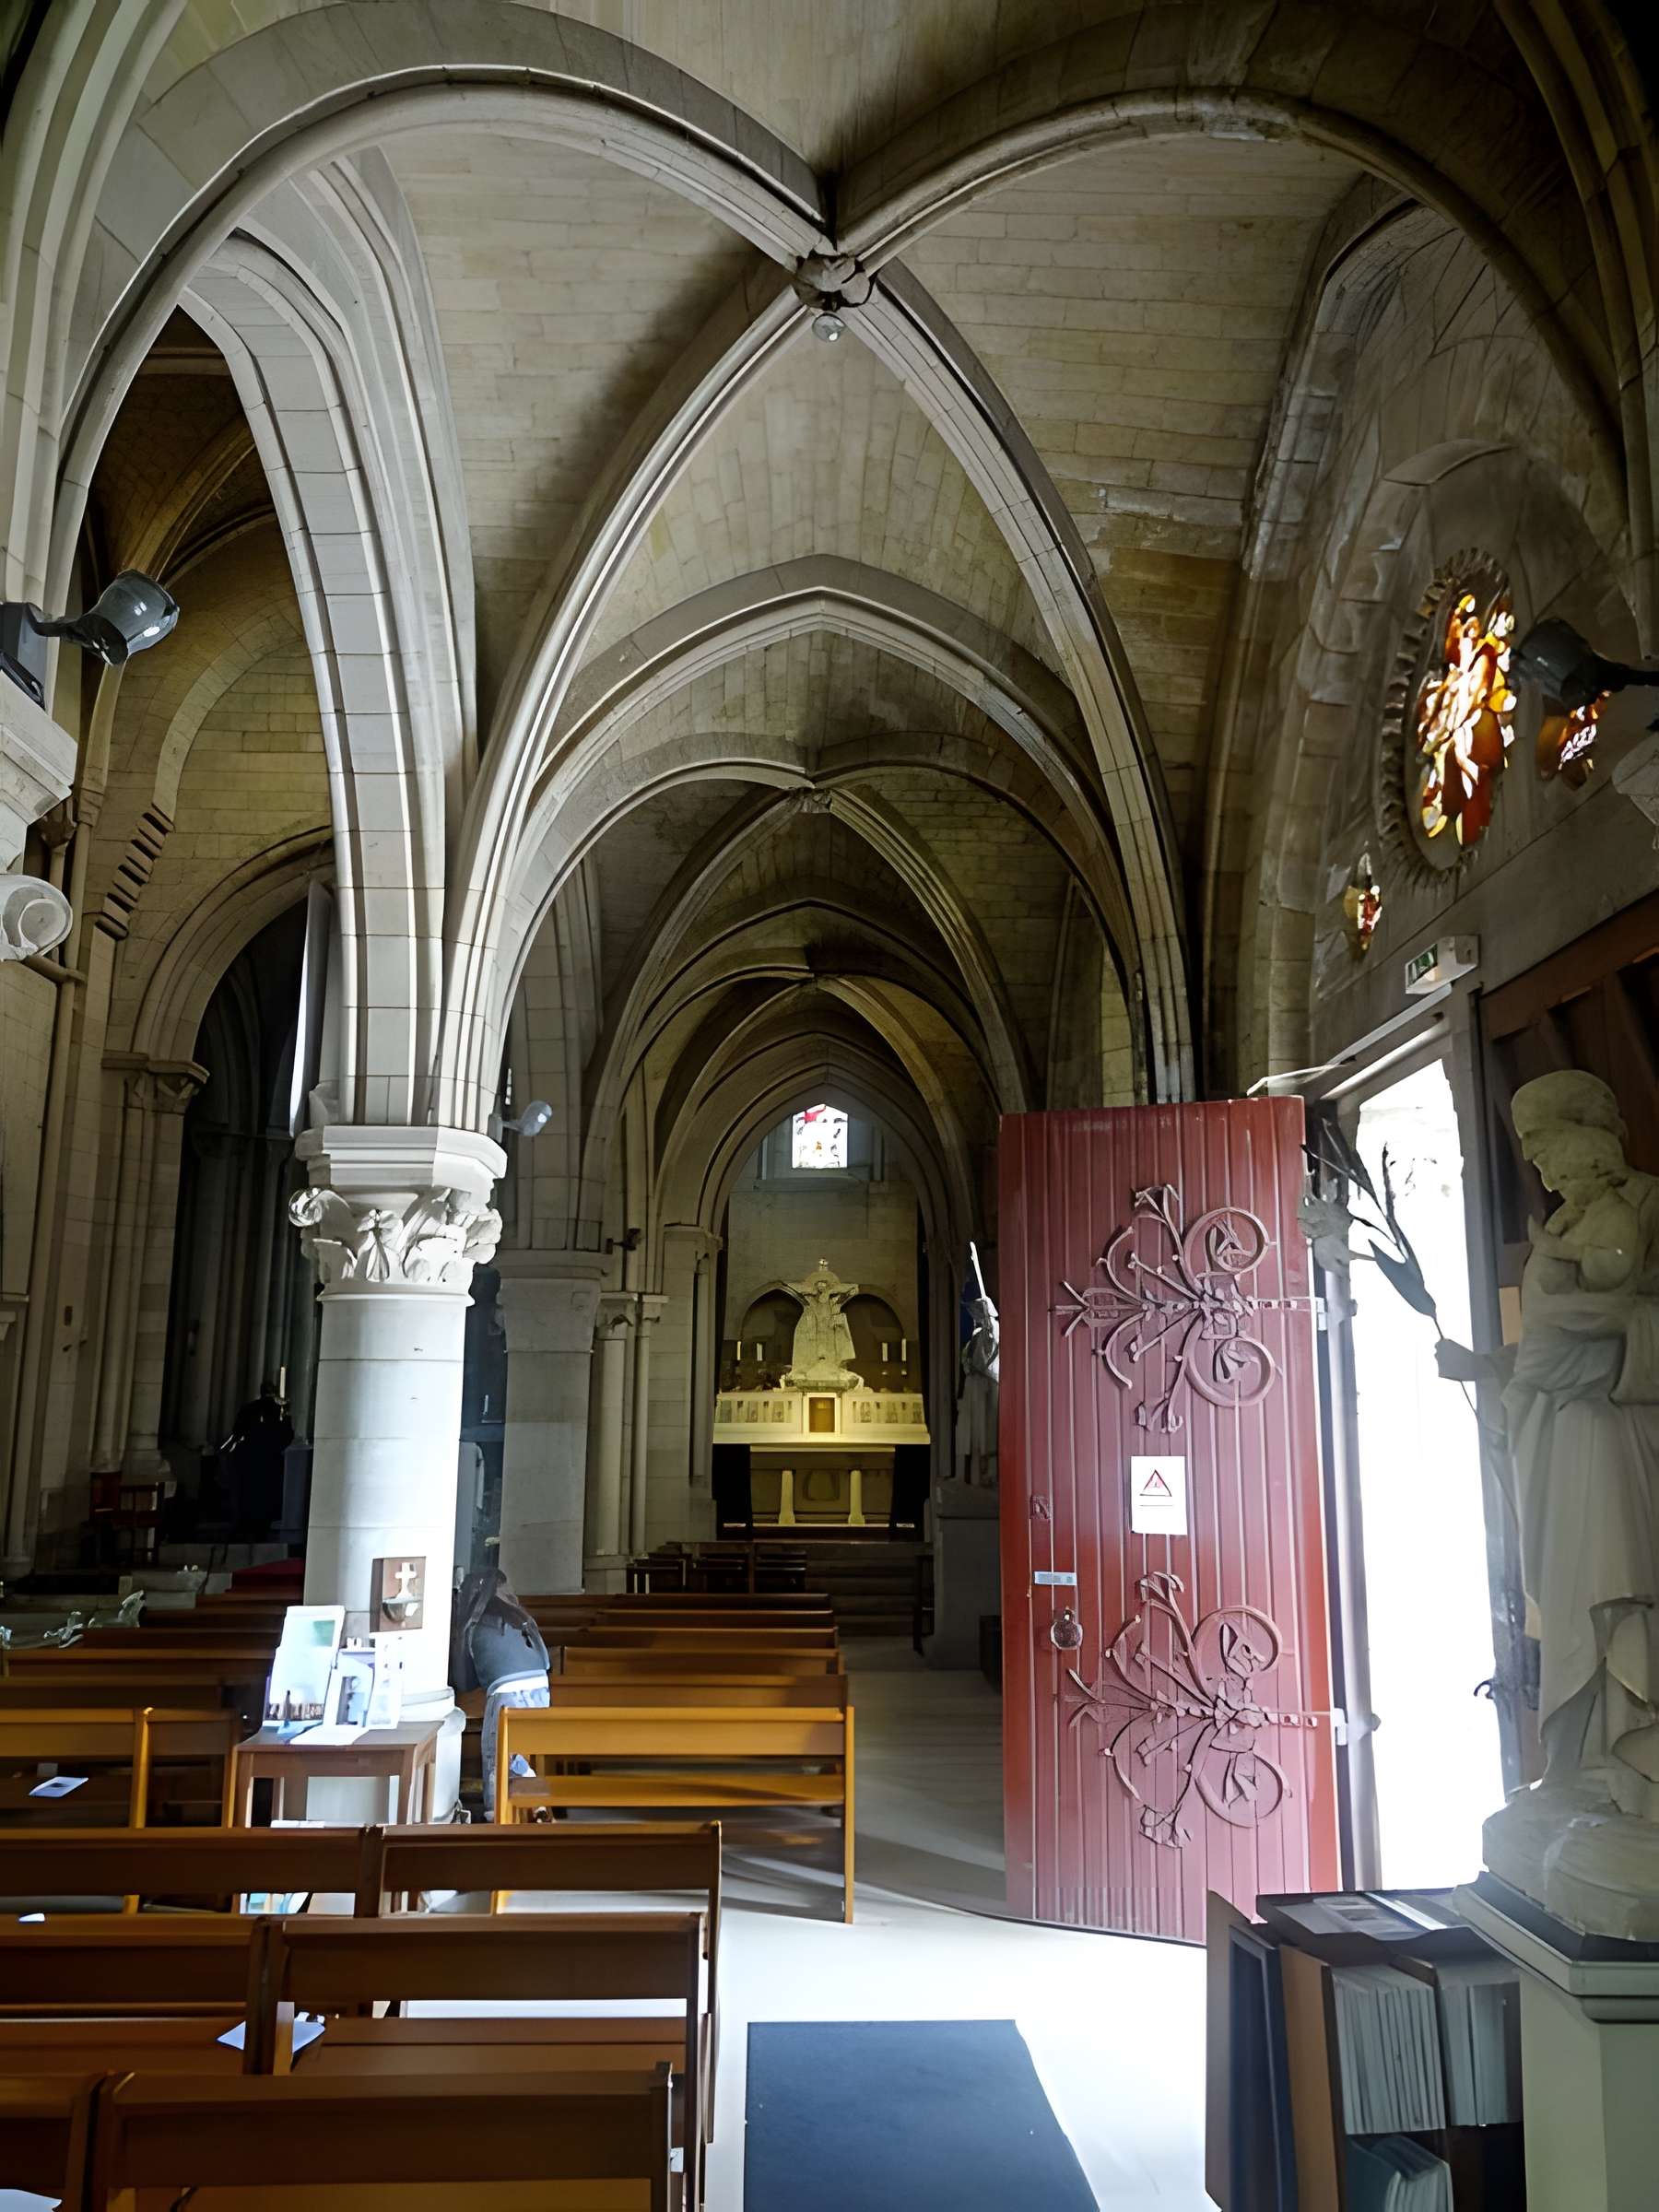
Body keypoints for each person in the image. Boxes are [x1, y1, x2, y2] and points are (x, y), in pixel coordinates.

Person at [453, 1555, 553, 1817]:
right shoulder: (519, 1617)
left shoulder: (473, 1622)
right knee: (514, 1750)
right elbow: (545, 1659)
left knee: (495, 1755)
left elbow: (463, 1681)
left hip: (507, 1692)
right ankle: (535, 1803)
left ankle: (496, 1814)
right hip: (541, 1688)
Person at [221, 1381, 293, 1536]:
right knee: (266, 1494)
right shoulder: (279, 1411)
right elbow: (287, 1434)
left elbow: (238, 1431)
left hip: (250, 1457)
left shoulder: (249, 1409)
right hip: (269, 1458)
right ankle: (262, 1525)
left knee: (248, 1493)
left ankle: (246, 1525)